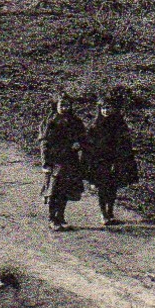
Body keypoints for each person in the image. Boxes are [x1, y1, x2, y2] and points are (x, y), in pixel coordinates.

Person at [83, 93, 140, 226]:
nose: (106, 111)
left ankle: (111, 212)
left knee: (113, 187)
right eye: (104, 108)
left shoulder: (119, 124)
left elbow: (125, 143)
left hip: (116, 160)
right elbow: (89, 145)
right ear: (99, 109)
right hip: (100, 161)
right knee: (103, 188)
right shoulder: (94, 125)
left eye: (109, 108)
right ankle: (103, 214)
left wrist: (123, 159)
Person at [36, 95, 86, 231]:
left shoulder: (75, 122)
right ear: (56, 106)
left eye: (67, 105)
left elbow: (83, 138)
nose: (64, 108)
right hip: (55, 161)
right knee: (54, 190)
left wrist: (79, 144)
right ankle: (52, 218)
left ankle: (61, 216)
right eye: (61, 105)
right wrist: (45, 162)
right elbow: (44, 143)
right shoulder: (50, 121)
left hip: (70, 160)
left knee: (65, 190)